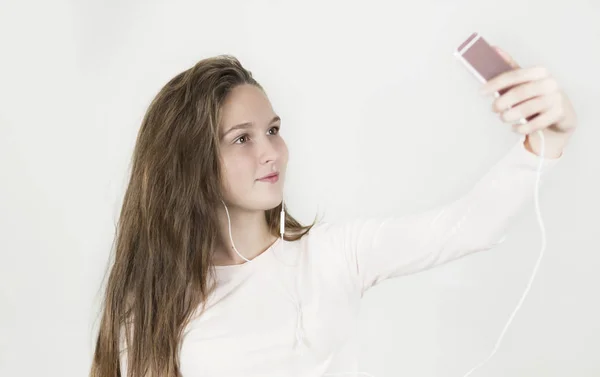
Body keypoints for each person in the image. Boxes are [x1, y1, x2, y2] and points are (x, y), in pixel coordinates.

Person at [89, 49, 577, 377]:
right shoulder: (154, 303)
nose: (271, 152)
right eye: (242, 138)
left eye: (274, 129)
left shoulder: (334, 254)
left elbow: (466, 226)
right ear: (190, 159)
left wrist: (547, 139)